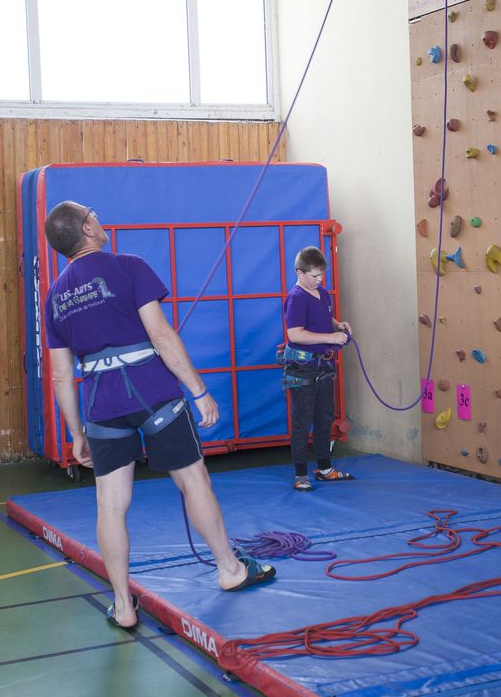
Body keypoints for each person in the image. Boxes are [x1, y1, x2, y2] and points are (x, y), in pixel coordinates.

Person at [42, 200, 275, 630]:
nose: (99, 219)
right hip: (153, 393)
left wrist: (76, 434)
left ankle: (123, 606)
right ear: (87, 229)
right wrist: (199, 391)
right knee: (193, 480)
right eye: (93, 215)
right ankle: (229, 569)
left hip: (102, 405)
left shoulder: (55, 297)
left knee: (110, 504)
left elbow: (60, 375)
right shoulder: (128, 266)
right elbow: (161, 335)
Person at [281, 246, 355, 492]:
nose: (320, 279)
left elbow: (324, 318)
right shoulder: (297, 298)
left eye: (322, 275)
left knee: (324, 417)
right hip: (302, 368)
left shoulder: (321, 293)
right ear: (299, 273)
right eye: (314, 276)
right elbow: (295, 334)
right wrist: (330, 338)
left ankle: (325, 468)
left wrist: (338, 325)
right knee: (302, 421)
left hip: (324, 366)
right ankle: (300, 474)